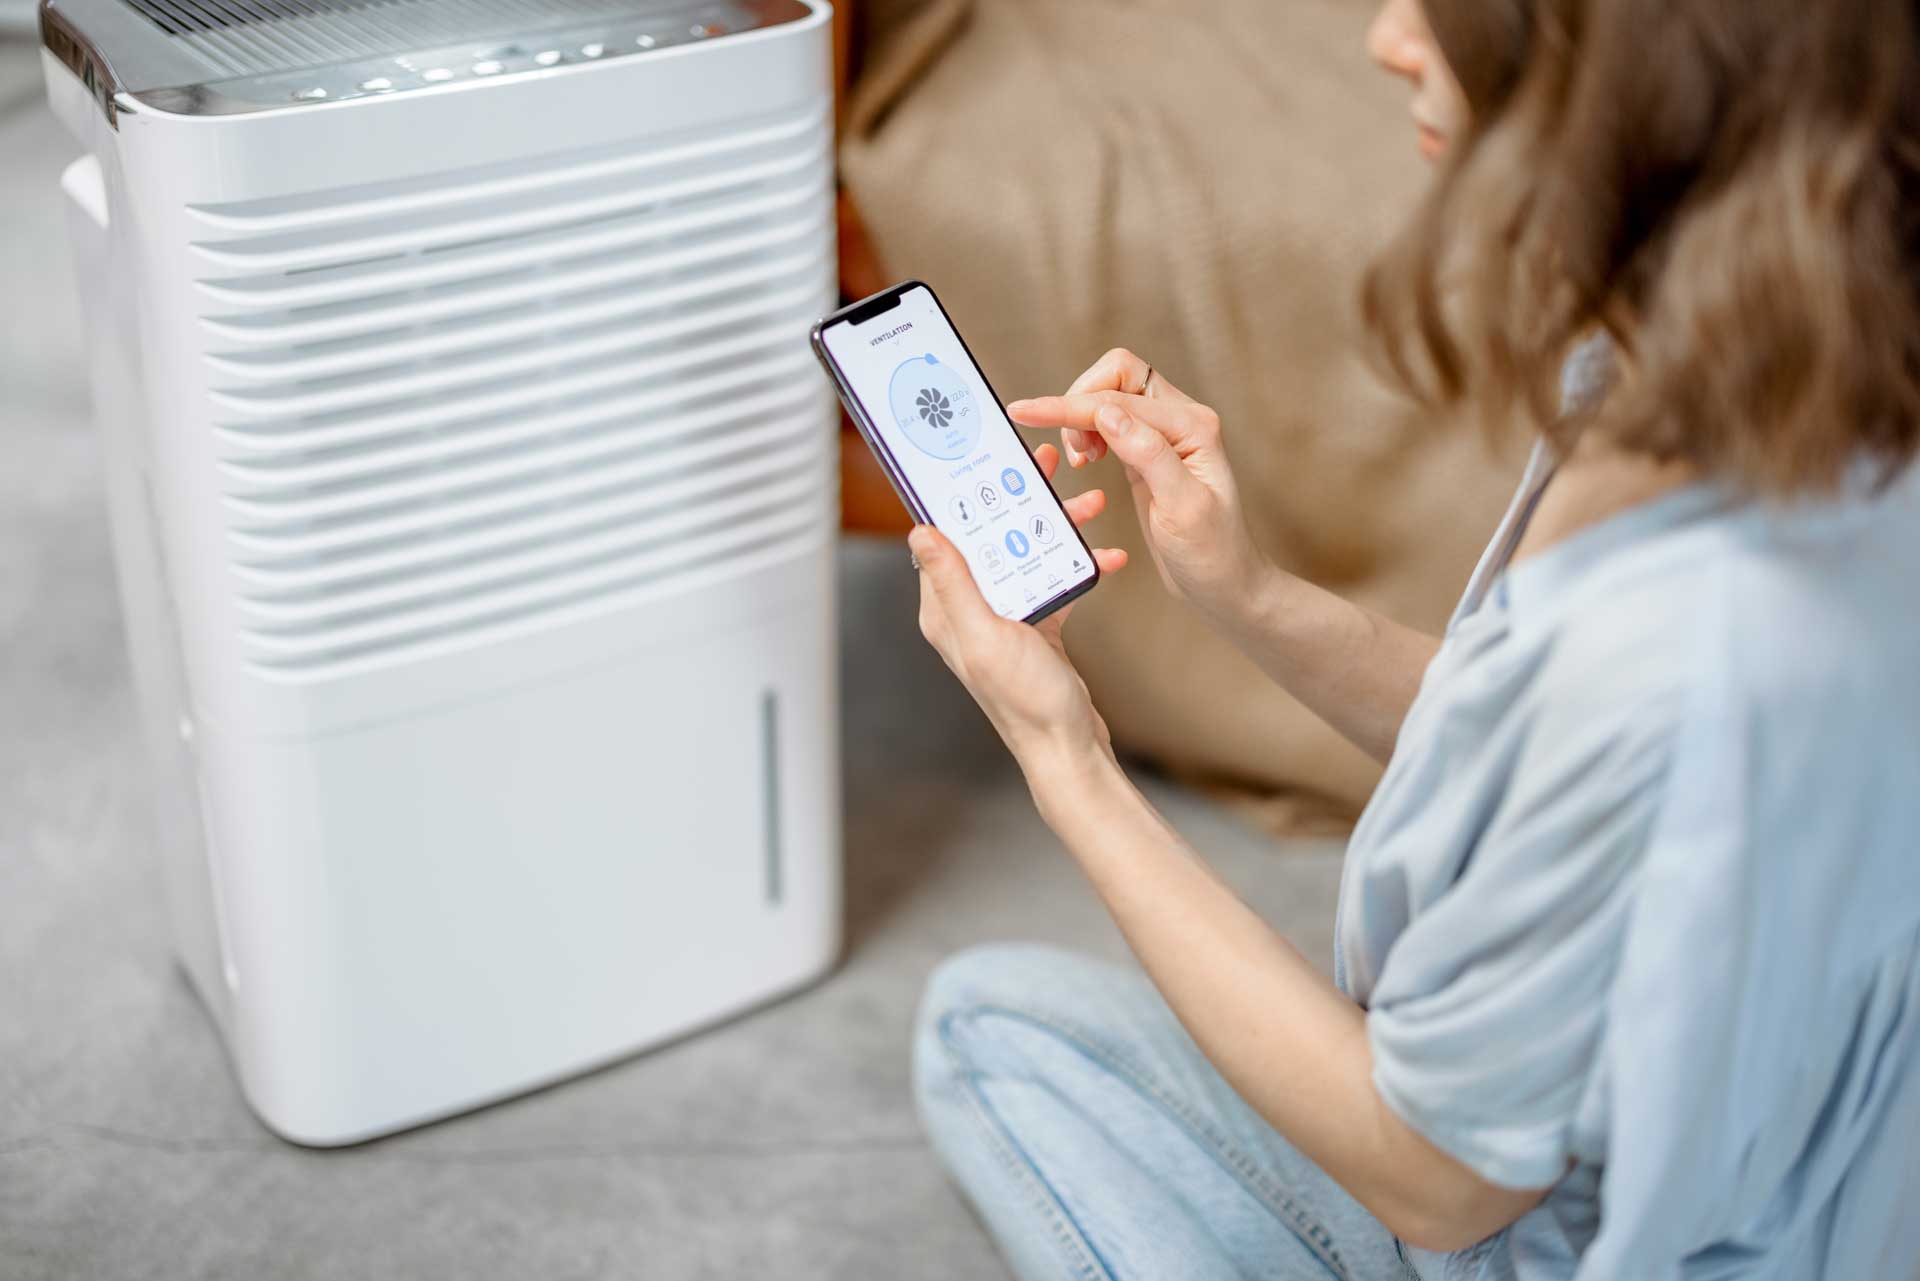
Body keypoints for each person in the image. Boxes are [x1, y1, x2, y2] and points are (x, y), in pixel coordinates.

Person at [901, 0, 1920, 1277]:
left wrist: (1067, 759)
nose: (1389, 35)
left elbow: (1442, 1182)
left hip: (1594, 1236)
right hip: (1800, 1177)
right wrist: (1251, 595)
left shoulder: (1673, 638)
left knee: (982, 1024)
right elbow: (1543, 755)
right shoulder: (1774, 382)